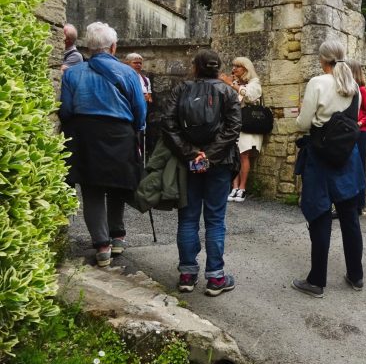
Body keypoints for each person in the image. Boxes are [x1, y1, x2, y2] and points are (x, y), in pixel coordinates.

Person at [59, 22, 145, 267]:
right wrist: (137, 132)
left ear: (88, 47)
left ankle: (102, 246)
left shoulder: (73, 73)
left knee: (92, 189)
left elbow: (66, 111)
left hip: (85, 135)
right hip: (120, 134)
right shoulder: (129, 73)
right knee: (118, 184)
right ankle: (117, 236)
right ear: (113, 47)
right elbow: (140, 110)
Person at [162, 49, 241, 297]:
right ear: (218, 68)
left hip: (189, 163)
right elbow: (233, 128)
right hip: (220, 162)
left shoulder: (181, 89)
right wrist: (209, 155)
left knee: (188, 218)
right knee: (215, 219)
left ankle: (187, 275)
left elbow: (168, 124)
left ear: (196, 66)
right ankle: (216, 278)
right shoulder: (228, 91)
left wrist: (191, 154)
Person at [292, 41, 365, 298]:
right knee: (350, 218)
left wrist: (304, 117)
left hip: (320, 157)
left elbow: (303, 124)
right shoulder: (353, 86)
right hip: (347, 158)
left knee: (320, 216)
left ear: (322, 59)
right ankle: (356, 275)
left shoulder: (317, 83)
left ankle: (316, 281)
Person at [219, 57, 263, 203]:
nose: (234, 69)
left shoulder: (254, 83)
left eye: (238, 66)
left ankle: (242, 188)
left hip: (248, 124)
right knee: (234, 155)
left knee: (244, 155)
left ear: (246, 69)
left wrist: (231, 84)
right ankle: (234, 186)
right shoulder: (234, 83)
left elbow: (250, 96)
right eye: (233, 66)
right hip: (234, 124)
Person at [347, 60, 366, 215]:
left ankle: (359, 205)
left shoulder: (362, 90)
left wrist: (358, 123)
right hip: (348, 133)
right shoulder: (348, 90)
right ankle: (349, 204)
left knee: (358, 168)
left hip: (360, 134)